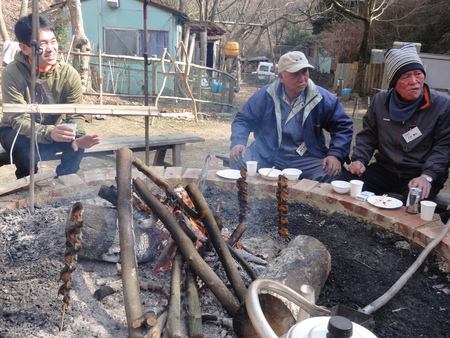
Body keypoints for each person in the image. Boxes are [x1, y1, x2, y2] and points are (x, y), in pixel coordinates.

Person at [342, 44, 450, 202]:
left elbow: (444, 146)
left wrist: (428, 176)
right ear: (394, 82)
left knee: (413, 205)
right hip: (386, 169)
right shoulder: (381, 101)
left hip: (420, 173)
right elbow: (368, 135)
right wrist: (359, 159)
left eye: (418, 74)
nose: (414, 81)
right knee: (347, 185)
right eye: (406, 76)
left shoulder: (442, 105)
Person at [0, 14, 100, 179]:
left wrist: (77, 136)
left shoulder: (69, 74)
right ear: (24, 48)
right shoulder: (12, 73)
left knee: (76, 144)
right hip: (15, 129)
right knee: (25, 150)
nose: (51, 48)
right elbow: (16, 118)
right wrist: (48, 132)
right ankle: (28, 189)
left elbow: (76, 115)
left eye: (53, 41)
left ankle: (62, 188)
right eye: (42, 43)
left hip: (51, 129)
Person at [229, 51, 353, 183]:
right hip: (267, 153)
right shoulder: (266, 95)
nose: (302, 78)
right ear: (281, 77)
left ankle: (305, 203)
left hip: (305, 157)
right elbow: (243, 120)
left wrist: (335, 154)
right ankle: (249, 200)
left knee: (332, 171)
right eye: (295, 74)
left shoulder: (322, 98)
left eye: (305, 72)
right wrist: (238, 142)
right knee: (239, 158)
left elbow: (342, 126)